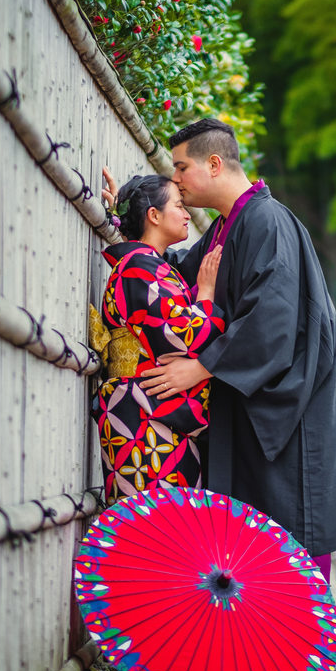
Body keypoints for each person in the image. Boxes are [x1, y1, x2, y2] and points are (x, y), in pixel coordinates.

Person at [103, 118, 336, 585]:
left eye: (181, 167)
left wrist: (201, 368)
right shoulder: (231, 224)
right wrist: (124, 219)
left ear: (215, 163)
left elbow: (274, 318)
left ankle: (301, 639)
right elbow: (168, 276)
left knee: (289, 527)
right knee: (252, 534)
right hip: (251, 395)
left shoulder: (267, 221)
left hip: (288, 403)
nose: (177, 180)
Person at [90, 173, 224, 504]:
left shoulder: (143, 265)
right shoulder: (139, 266)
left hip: (146, 408)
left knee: (159, 524)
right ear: (154, 215)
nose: (187, 213)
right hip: (143, 415)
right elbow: (186, 336)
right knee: (155, 521)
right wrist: (206, 295)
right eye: (178, 205)